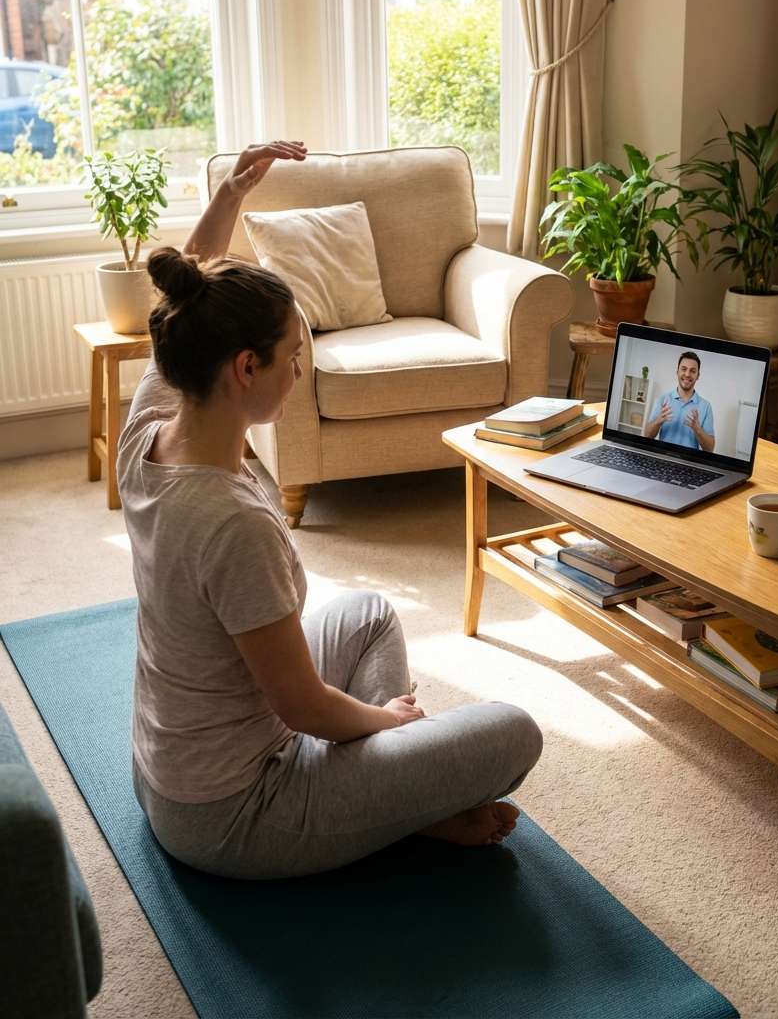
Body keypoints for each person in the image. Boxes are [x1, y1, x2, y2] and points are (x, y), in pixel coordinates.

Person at [118, 141, 543, 880]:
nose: (299, 370)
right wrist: (392, 723)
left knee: (369, 613)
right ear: (245, 367)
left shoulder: (154, 419)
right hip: (234, 813)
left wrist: (231, 196)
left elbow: (189, 294)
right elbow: (304, 709)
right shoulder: (231, 523)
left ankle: (395, 797)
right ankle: (407, 803)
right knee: (513, 733)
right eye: (294, 356)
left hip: (167, 770)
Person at [643, 351, 715, 452]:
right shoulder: (662, 400)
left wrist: (697, 429)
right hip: (663, 457)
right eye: (684, 369)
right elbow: (647, 436)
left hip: (690, 460)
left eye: (692, 371)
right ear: (677, 371)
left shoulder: (706, 406)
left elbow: (710, 449)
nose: (687, 374)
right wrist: (657, 422)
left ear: (698, 375)